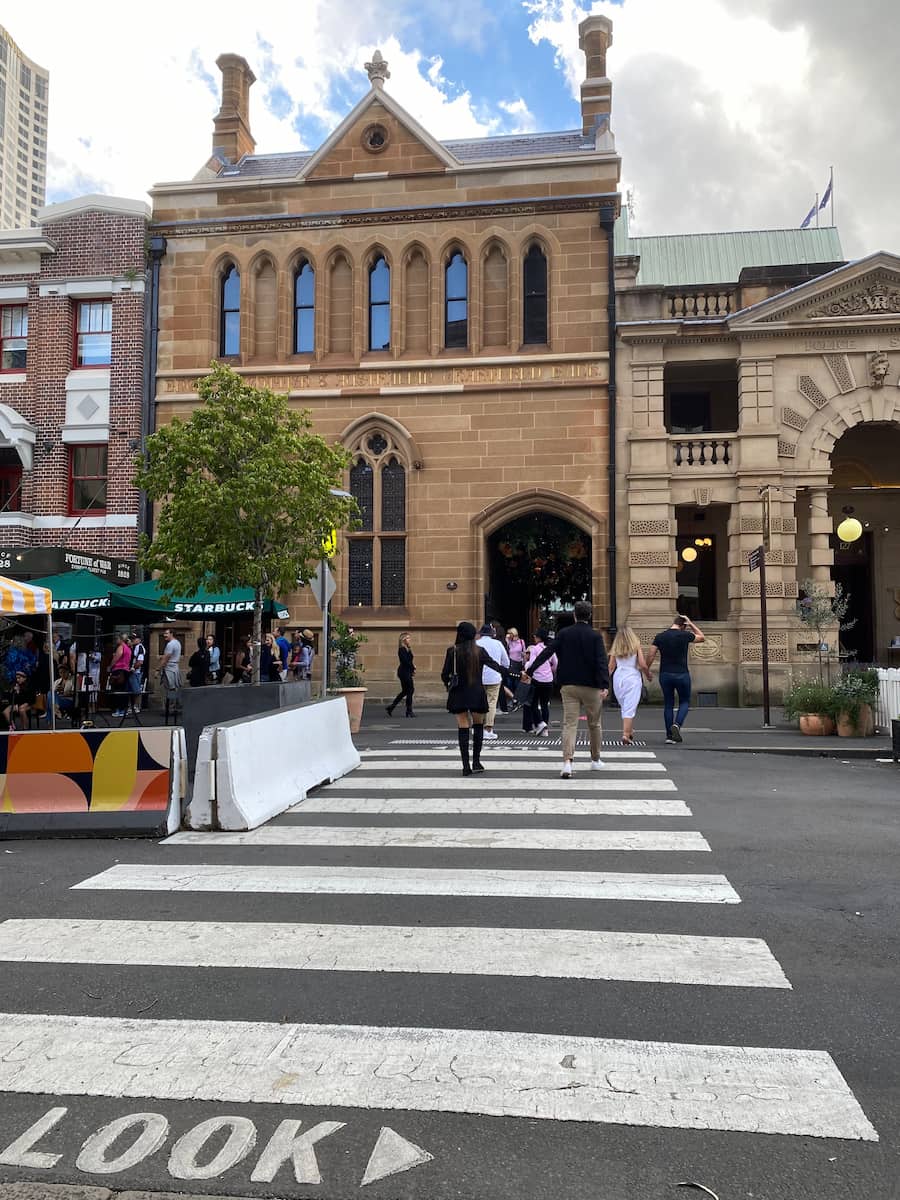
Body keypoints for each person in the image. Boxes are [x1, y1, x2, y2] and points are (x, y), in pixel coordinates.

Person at [523, 599, 610, 778]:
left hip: (568, 684)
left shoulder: (564, 633)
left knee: (569, 724)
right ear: (590, 615)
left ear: (574, 615)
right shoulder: (595, 636)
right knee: (594, 724)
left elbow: (547, 652)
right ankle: (595, 759)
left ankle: (567, 763)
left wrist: (530, 670)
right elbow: (601, 661)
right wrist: (604, 684)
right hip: (591, 686)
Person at [441, 621, 507, 775]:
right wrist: (517, 674)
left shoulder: (452, 651)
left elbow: (444, 674)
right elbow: (496, 666)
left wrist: (447, 685)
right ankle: (476, 761)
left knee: (463, 727)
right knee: (478, 726)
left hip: (459, 693)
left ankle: (465, 766)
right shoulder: (479, 651)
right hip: (476, 692)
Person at [645, 614, 705, 743]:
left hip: (665, 674)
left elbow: (650, 654)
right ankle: (677, 725)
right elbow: (702, 637)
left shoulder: (660, 636)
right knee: (684, 701)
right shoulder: (684, 635)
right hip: (682, 674)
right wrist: (691, 623)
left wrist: (647, 670)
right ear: (683, 626)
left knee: (668, 704)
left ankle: (669, 736)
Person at [608, 625, 653, 745]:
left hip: (619, 678)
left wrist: (603, 683)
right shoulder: (636, 645)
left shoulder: (615, 647)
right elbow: (643, 664)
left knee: (625, 706)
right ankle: (625, 734)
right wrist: (648, 675)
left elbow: (611, 667)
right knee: (630, 708)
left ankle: (629, 730)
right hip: (632, 677)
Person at [475, 623, 509, 742]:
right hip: (494, 677)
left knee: (477, 702)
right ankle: (488, 729)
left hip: (477, 677)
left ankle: (477, 726)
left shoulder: (476, 643)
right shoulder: (498, 644)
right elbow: (506, 662)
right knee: (492, 703)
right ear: (491, 633)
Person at [523, 627, 556, 736]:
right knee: (544, 704)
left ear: (538, 638)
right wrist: (549, 671)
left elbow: (532, 663)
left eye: (535, 636)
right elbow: (555, 663)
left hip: (537, 679)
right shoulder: (550, 648)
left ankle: (540, 723)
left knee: (532, 703)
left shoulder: (535, 649)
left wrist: (527, 669)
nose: (534, 637)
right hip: (548, 680)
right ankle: (545, 729)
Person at [386, 632, 415, 717]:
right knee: (410, 690)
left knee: (406, 691)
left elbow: (410, 660)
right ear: (404, 640)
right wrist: (413, 667)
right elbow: (405, 661)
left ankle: (391, 707)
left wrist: (409, 648)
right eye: (408, 638)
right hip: (404, 672)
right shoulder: (401, 649)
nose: (410, 640)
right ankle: (409, 710)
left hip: (406, 671)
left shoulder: (406, 648)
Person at [108, 632, 132, 718]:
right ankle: (123, 710)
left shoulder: (121, 647)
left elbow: (116, 658)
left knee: (117, 690)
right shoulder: (129, 649)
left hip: (119, 670)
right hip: (126, 670)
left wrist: (110, 666)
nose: (116, 640)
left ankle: (118, 709)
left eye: (117, 639)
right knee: (124, 690)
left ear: (121, 639)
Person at [160, 628, 183, 712]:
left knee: (168, 689)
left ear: (171, 634)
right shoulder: (178, 643)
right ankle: (173, 708)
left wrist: (158, 669)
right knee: (173, 689)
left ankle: (169, 709)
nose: (164, 635)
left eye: (166, 633)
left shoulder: (170, 644)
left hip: (169, 669)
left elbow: (166, 657)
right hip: (174, 668)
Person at [128, 632, 147, 711]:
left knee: (136, 689)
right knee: (132, 689)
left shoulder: (139, 648)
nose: (132, 640)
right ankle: (131, 706)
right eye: (132, 638)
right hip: (134, 671)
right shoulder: (135, 647)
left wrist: (133, 668)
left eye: (134, 639)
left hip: (136, 671)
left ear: (139, 640)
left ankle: (136, 706)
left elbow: (140, 661)